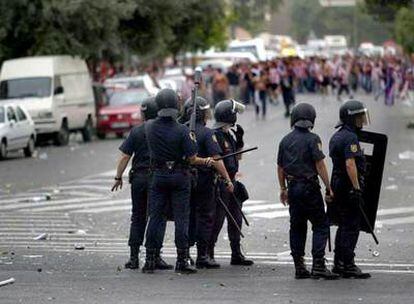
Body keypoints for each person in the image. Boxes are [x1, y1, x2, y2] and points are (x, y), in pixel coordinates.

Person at [141, 89, 228, 274]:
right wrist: (206, 161)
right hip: (180, 177)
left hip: (157, 176)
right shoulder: (182, 130)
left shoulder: (149, 126)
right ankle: (182, 259)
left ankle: (149, 259)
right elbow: (191, 158)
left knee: (155, 218)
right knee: (182, 218)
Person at [277, 103, 339, 280]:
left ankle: (299, 266)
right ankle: (318, 265)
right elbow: (320, 164)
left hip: (293, 188)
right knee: (320, 225)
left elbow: (280, 168)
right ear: (311, 119)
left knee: (297, 226)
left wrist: (283, 189)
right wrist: (328, 187)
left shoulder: (285, 140)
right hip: (310, 188)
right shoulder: (313, 139)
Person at [111, 97, 172, 271]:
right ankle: (154, 256)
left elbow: (125, 155)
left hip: (139, 179)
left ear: (144, 113)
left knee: (138, 217)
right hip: (158, 178)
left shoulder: (137, 131)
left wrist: (118, 176)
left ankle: (133, 258)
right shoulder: (164, 129)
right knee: (158, 218)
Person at [184, 97, 234, 269]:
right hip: (204, 181)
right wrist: (227, 179)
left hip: (184, 181)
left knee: (187, 217)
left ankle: (183, 255)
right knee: (205, 217)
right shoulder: (206, 133)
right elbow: (217, 159)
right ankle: (202, 255)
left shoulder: (181, 130)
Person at [329, 100, 371, 279]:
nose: (362, 120)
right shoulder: (350, 138)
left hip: (338, 184)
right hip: (347, 186)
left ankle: (339, 263)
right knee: (351, 226)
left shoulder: (337, 136)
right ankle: (348, 264)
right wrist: (356, 188)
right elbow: (350, 163)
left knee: (343, 225)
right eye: (360, 117)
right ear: (351, 118)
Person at [209, 99, 254, 266]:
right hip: (221, 183)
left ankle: (236, 253)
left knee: (236, 218)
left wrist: (240, 141)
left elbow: (237, 157)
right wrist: (226, 180)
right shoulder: (216, 136)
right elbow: (217, 160)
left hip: (232, 182)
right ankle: (208, 253)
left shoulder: (229, 134)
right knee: (218, 220)